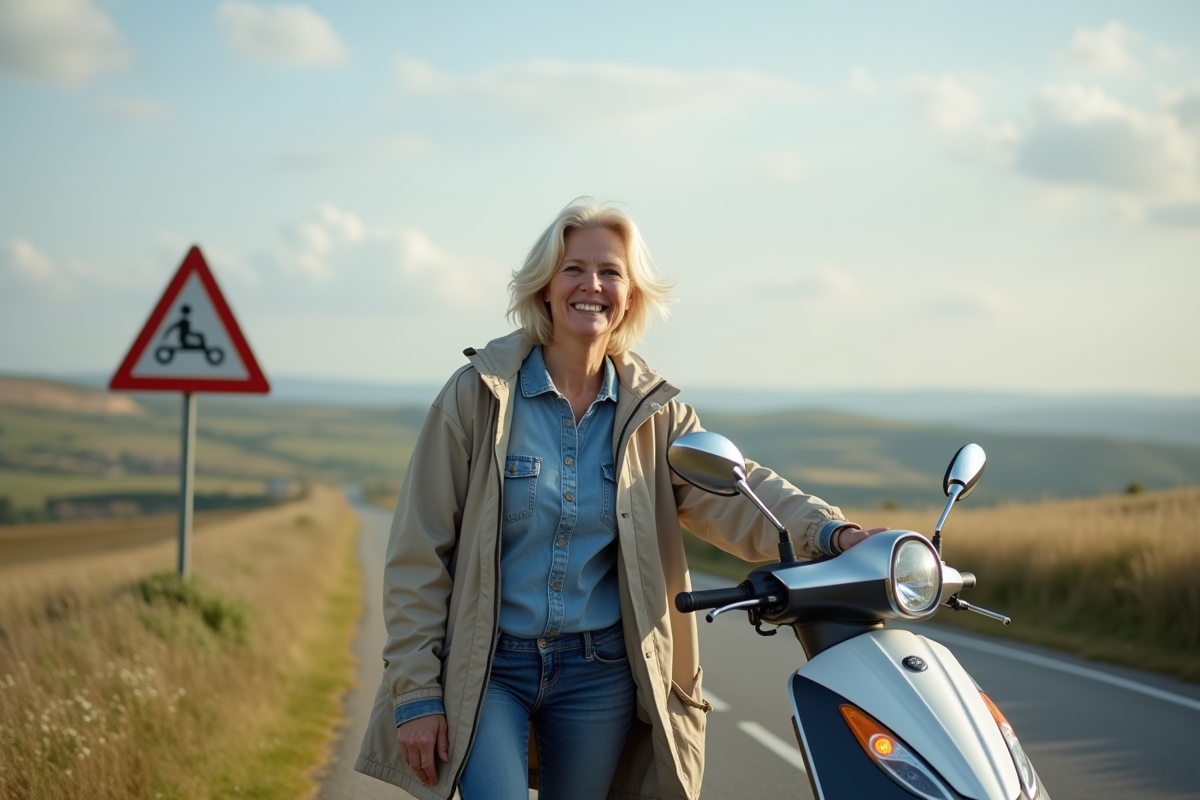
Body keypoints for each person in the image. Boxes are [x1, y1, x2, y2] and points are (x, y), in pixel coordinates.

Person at [354, 198, 880, 800]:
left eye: (610, 272)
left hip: (598, 676)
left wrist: (829, 533)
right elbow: (419, 554)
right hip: (489, 668)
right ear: (545, 287)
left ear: (630, 295)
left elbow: (741, 491)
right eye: (574, 269)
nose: (592, 286)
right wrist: (417, 692)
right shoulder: (478, 397)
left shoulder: (655, 414)